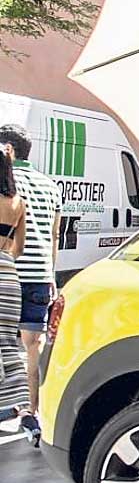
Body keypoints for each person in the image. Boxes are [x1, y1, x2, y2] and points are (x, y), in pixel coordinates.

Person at [0, 124, 58, 447]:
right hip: (39, 274)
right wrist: (51, 274)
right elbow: (54, 235)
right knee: (31, 348)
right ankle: (31, 411)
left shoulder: (7, 182)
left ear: (7, 149)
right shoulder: (50, 185)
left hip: (8, 270)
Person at [0, 139, 31, 444]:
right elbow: (19, 248)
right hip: (9, 276)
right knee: (9, 344)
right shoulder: (18, 203)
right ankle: (22, 408)